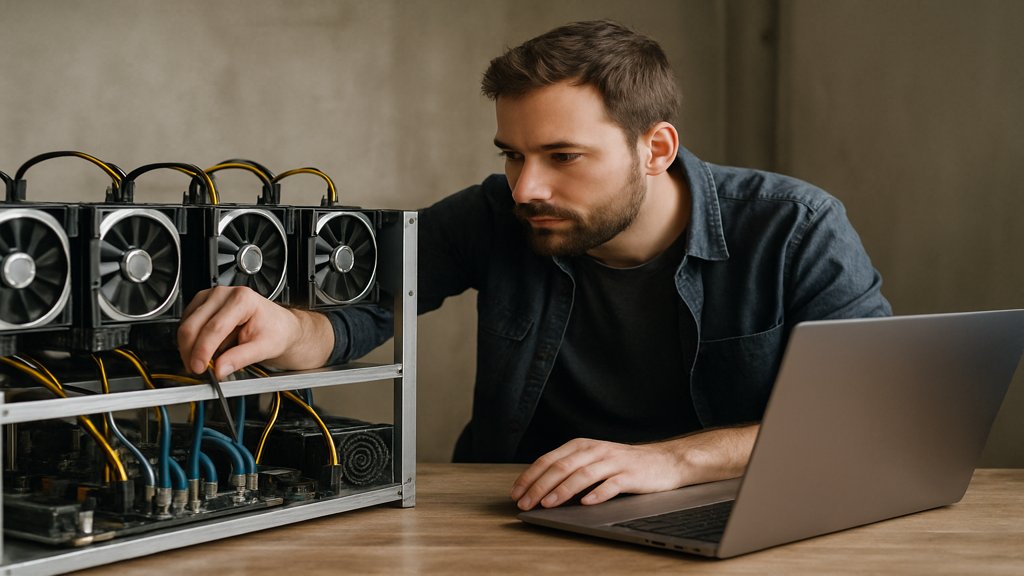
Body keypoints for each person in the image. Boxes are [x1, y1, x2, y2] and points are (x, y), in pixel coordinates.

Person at [178, 20, 890, 513]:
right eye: (513, 155)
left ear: (656, 149)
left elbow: (867, 413)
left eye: (562, 156)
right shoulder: (495, 214)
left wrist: (672, 461)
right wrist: (285, 326)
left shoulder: (794, 226)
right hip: (524, 511)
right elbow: (357, 315)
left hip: (726, 508)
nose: (526, 189)